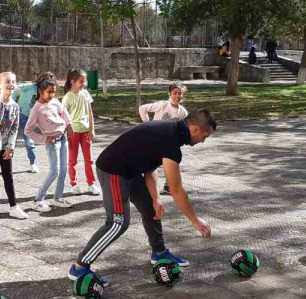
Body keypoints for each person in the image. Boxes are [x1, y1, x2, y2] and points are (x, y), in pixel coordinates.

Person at [69, 109, 217, 285]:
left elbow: (150, 165)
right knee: (118, 223)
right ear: (195, 129)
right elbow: (176, 189)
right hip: (113, 170)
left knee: (151, 208)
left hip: (130, 171)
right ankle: (79, 267)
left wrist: (155, 198)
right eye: (205, 136)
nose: (202, 141)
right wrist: (195, 220)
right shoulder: (171, 139)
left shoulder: (171, 133)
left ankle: (159, 253)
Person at [0, 72, 28, 222]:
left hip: (6, 146)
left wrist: (11, 147)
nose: (11, 84)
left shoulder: (15, 106)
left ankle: (13, 207)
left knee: (8, 176)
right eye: (7, 81)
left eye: (13, 81)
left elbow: (15, 128)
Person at [25, 72, 73, 213]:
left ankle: (58, 197)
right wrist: (45, 139)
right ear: (40, 91)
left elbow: (63, 112)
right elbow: (28, 130)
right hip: (52, 143)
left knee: (64, 170)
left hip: (63, 138)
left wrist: (69, 125)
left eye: (54, 92)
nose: (52, 95)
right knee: (55, 171)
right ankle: (38, 199)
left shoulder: (54, 101)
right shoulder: (37, 109)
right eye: (49, 92)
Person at [138, 83, 189, 195]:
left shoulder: (183, 112)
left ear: (183, 95)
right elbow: (142, 108)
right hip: (154, 139)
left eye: (180, 93)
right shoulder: (162, 105)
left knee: (171, 163)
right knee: (151, 165)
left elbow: (181, 127)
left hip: (169, 141)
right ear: (169, 93)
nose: (177, 96)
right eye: (174, 93)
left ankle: (168, 187)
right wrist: (147, 124)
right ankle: (147, 188)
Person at [62, 69, 99, 196]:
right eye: (81, 81)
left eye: (84, 81)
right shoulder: (67, 97)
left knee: (89, 159)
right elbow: (63, 116)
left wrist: (92, 129)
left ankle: (91, 183)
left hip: (86, 132)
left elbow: (90, 112)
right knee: (73, 160)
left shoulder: (86, 94)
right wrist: (67, 130)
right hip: (73, 133)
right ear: (73, 81)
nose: (83, 84)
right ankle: (74, 184)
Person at [14, 78, 40, 173]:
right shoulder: (30, 86)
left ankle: (33, 163)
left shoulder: (44, 92)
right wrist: (14, 102)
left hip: (28, 118)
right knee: (11, 140)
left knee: (29, 141)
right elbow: (16, 88)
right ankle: (6, 162)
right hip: (17, 114)